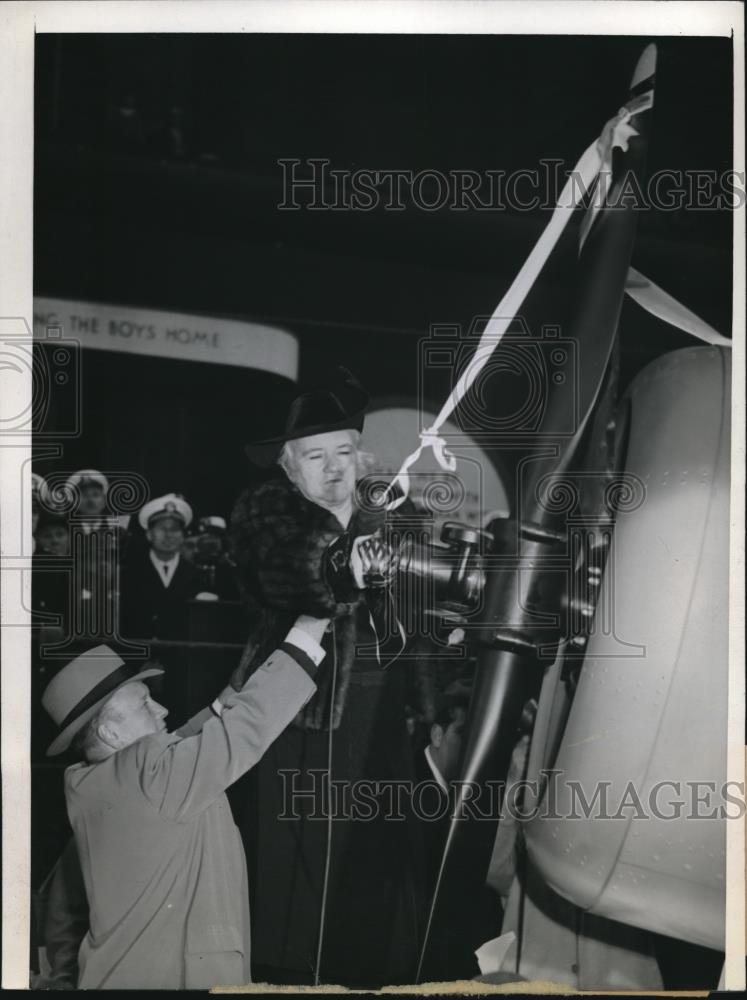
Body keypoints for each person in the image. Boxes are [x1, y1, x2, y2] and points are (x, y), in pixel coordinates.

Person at [229, 368, 425, 987]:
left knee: (369, 863)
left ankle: (363, 972)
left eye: (344, 452)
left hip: (384, 714)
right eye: (316, 456)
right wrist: (351, 559)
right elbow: (291, 578)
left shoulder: (395, 509)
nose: (334, 468)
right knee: (297, 863)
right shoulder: (266, 513)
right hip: (298, 712)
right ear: (289, 466)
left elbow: (420, 612)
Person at [40, 620, 328, 989]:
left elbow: (179, 740)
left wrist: (233, 689)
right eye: (144, 703)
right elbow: (247, 725)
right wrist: (311, 624)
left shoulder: (93, 785)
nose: (160, 709)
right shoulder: (156, 777)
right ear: (110, 733)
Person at [119, 493, 209, 640]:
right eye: (162, 528)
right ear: (149, 534)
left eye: (174, 529)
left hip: (181, 659)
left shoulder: (198, 577)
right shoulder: (129, 574)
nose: (169, 535)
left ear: (182, 536)